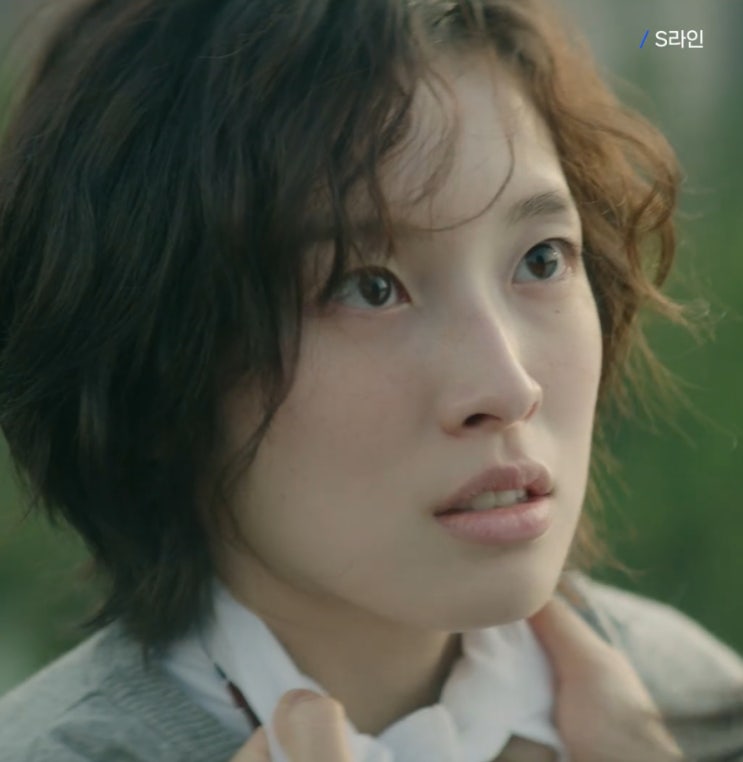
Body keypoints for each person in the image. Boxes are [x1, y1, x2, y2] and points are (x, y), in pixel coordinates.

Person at [0, 0, 741, 760]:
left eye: (541, 259)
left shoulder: (700, 711)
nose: (508, 387)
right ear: (153, 367)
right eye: (368, 287)